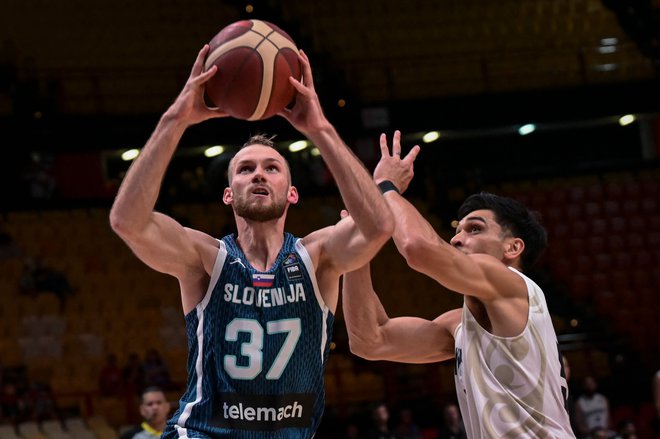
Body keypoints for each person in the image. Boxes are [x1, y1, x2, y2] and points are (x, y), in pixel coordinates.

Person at [109, 45, 393, 439]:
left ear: (292, 193)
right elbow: (127, 221)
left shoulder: (318, 257)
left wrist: (319, 129)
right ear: (228, 194)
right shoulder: (206, 259)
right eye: (245, 169)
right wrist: (176, 118)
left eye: (272, 168)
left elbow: (379, 226)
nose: (259, 174)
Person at [341, 133, 576, 437]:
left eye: (475, 229)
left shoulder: (512, 284)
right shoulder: (462, 325)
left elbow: (416, 247)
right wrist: (358, 251)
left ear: (513, 248)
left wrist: (386, 188)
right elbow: (370, 340)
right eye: (457, 229)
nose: (456, 238)